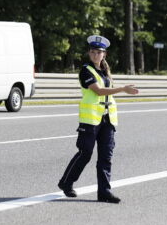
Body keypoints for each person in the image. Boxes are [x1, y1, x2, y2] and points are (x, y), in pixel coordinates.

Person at [58, 35, 139, 203]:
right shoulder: (86, 70)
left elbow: (106, 93)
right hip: (91, 120)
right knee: (85, 153)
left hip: (107, 120)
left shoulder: (105, 72)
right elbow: (98, 91)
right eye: (93, 52)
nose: (96, 55)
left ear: (104, 54)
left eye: (99, 52)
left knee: (106, 157)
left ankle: (104, 192)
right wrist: (123, 89)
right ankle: (66, 183)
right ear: (89, 53)